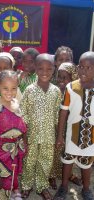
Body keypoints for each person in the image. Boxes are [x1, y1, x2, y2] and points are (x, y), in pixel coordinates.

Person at [21, 54, 62, 199]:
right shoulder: (29, 90)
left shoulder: (56, 91)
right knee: (29, 161)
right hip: (31, 135)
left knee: (45, 162)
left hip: (49, 135)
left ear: (53, 70)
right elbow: (23, 114)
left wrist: (59, 136)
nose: (45, 72)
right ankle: (26, 185)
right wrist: (24, 136)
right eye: (41, 68)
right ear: (35, 69)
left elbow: (58, 115)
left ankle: (42, 186)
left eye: (49, 69)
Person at [54, 51, 94, 200]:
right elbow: (63, 113)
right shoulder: (71, 87)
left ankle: (86, 188)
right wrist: (60, 136)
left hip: (91, 135)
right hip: (72, 134)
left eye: (88, 68)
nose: (83, 70)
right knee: (67, 161)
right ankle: (63, 186)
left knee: (86, 164)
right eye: (81, 67)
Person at [0, 70, 27, 199]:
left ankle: (15, 189)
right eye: (5, 88)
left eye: (13, 88)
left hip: (15, 145)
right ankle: (3, 192)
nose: (10, 92)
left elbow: (21, 122)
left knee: (14, 168)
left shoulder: (17, 103)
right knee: (2, 170)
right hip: (0, 146)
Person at [49, 62, 80, 190]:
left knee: (68, 152)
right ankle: (51, 175)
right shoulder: (54, 90)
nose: (61, 80)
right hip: (55, 127)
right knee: (54, 152)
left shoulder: (75, 92)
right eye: (59, 77)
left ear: (73, 78)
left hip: (70, 128)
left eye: (65, 77)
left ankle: (67, 174)